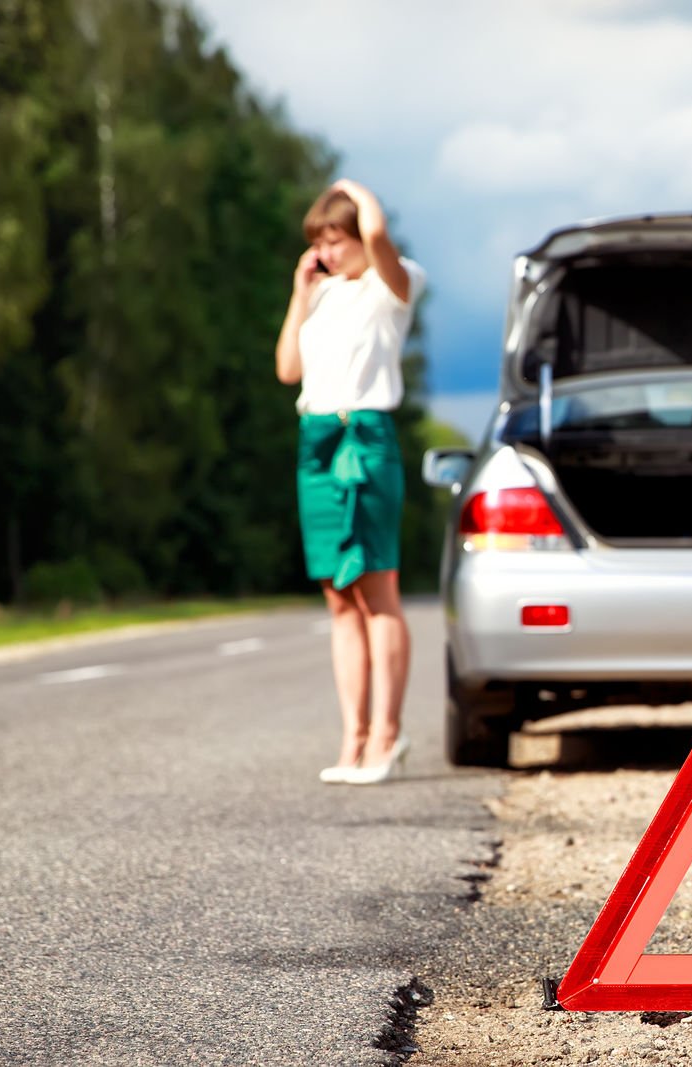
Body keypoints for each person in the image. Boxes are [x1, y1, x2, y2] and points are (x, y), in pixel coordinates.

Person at [275, 179, 426, 785]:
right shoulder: (324, 294)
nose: (328, 254)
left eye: (336, 241)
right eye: (319, 243)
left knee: (375, 589)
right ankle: (352, 738)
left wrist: (356, 193)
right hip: (316, 441)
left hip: (362, 436)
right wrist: (299, 293)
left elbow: (381, 235)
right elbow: (288, 369)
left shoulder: (394, 286)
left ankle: (387, 736)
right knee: (339, 597)